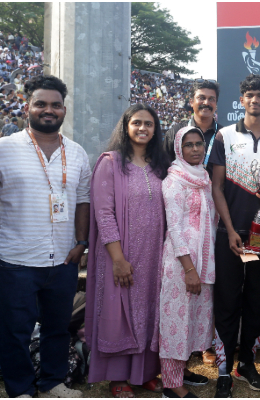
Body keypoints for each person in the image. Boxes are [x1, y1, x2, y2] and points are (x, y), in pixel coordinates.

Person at [0, 75, 90, 398]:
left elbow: (83, 200)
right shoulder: (1, 148)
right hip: (16, 258)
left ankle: (52, 383)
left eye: (56, 105)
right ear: (27, 106)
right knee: (13, 330)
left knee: (57, 327)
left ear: (64, 109)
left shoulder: (77, 153)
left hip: (62, 258)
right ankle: (19, 389)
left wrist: (81, 242)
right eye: (41, 104)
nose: (49, 110)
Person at [208, 74, 260, 397]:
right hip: (229, 234)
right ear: (241, 100)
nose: (255, 100)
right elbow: (216, 187)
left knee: (258, 300)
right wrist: (228, 230)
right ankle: (225, 367)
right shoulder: (224, 136)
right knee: (227, 300)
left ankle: (247, 362)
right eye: (250, 95)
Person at [86, 104, 169, 398]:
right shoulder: (110, 162)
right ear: (126, 126)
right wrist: (118, 259)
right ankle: (117, 377)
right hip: (119, 254)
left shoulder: (159, 165)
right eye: (137, 123)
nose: (143, 128)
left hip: (154, 254)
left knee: (148, 311)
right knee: (118, 311)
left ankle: (143, 373)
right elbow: (104, 213)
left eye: (149, 124)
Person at [159, 126, 217, 398]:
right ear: (178, 150)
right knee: (176, 322)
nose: (195, 149)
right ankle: (171, 385)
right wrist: (189, 269)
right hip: (181, 263)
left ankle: (181, 371)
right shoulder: (174, 181)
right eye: (188, 145)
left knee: (192, 320)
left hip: (202, 259)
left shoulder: (203, 177)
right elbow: (175, 229)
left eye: (199, 144)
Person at [164, 79, 223, 166]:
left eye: (211, 99)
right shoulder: (175, 133)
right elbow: (163, 168)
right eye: (201, 98)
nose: (206, 103)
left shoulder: (225, 135)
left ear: (216, 103)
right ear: (191, 102)